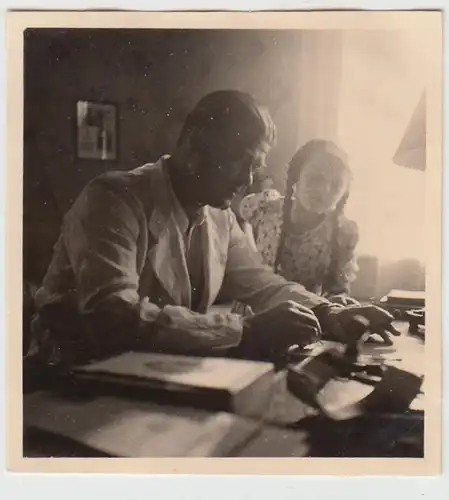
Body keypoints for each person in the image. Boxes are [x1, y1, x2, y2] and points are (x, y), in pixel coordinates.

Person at [30, 91, 399, 368]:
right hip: (67, 381)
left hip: (149, 376)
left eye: (258, 166)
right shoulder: (113, 198)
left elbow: (263, 284)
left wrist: (327, 312)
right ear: (195, 148)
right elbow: (111, 316)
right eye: (243, 161)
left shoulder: (219, 216)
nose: (249, 179)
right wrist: (246, 331)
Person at [238, 139, 361, 308]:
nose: (324, 190)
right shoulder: (265, 206)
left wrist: (337, 301)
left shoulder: (344, 232)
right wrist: (248, 252)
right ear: (297, 177)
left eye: (336, 184)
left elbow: (338, 289)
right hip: (254, 310)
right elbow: (236, 218)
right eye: (315, 178)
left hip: (304, 314)